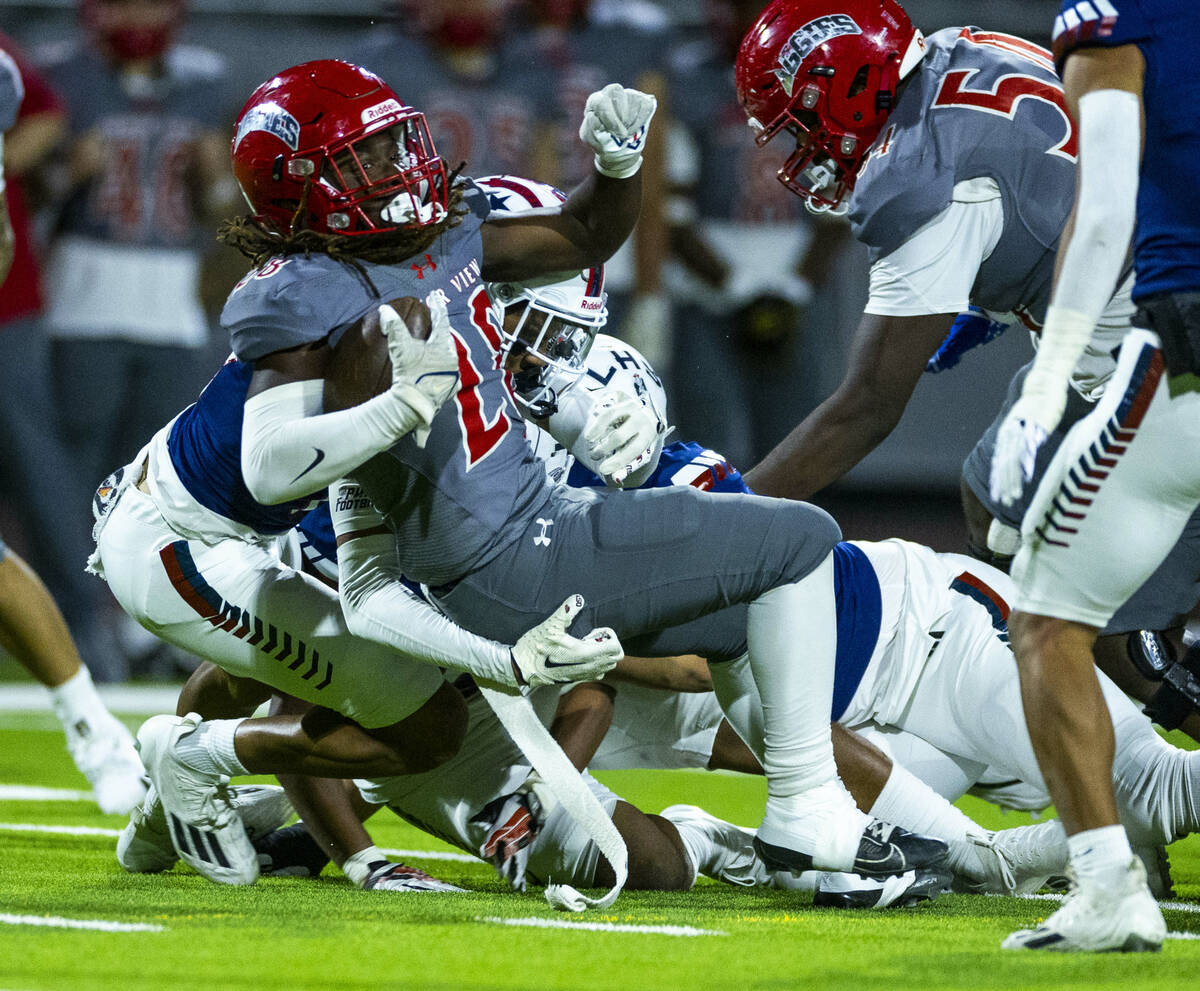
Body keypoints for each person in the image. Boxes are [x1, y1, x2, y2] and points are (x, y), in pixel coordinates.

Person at [240, 114, 947, 880]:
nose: (555, 358)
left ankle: (877, 837)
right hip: (490, 652)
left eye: (568, 339)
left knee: (669, 816)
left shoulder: (580, 390)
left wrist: (616, 164)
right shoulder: (379, 365)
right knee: (796, 543)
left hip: (538, 665)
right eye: (535, 328)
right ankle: (815, 817)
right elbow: (284, 634)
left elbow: (583, 233)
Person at [91, 64, 628, 889]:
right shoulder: (301, 292)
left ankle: (164, 809)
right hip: (185, 542)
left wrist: (617, 167)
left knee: (296, 672)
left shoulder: (434, 239)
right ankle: (189, 757)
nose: (396, 168)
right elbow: (271, 471)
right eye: (364, 157)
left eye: (392, 143)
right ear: (298, 186)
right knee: (422, 723)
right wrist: (405, 405)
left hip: (246, 527)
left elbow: (582, 235)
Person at [731, 0, 1131, 519]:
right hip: (1165, 258)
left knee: (1122, 563)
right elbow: (1028, 174)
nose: (806, 147)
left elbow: (867, 408)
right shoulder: (964, 49)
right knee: (991, 495)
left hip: (1138, 344)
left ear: (850, 90)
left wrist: (724, 516)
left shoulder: (916, 174)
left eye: (803, 122)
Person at [983, 0, 1200, 952]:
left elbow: (1105, 211)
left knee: (1044, 608)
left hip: (1188, 349)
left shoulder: (1122, 18)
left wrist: (1041, 390)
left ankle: (1109, 882)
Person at [34, 0, 241, 534]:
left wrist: (214, 179)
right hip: (84, 294)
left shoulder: (205, 81)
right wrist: (66, 172)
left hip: (170, 299)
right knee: (76, 456)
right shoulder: (62, 76)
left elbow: (221, 211)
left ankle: (133, 595)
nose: (139, 20)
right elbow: (31, 197)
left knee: (159, 461)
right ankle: (73, 594)